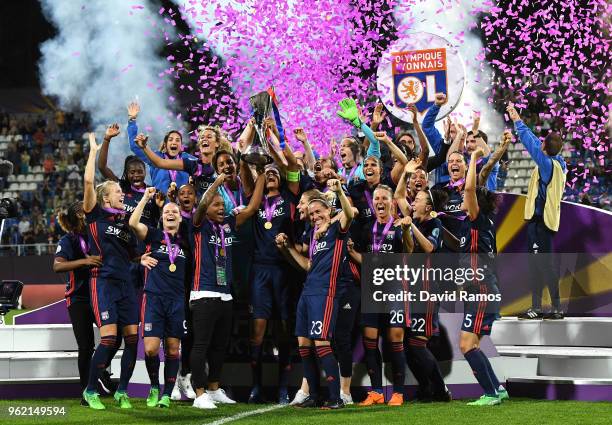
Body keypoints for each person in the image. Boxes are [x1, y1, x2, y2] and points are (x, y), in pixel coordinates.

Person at [275, 178, 354, 409]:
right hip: (307, 292)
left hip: (325, 293)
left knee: (322, 343)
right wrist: (287, 249)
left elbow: (349, 214)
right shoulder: (313, 235)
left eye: (318, 212)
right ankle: (313, 395)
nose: (315, 217)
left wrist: (339, 191)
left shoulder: (338, 230)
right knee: (303, 344)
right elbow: (308, 265)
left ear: (328, 211)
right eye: (312, 215)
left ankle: (335, 397)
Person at [189, 171, 265, 409]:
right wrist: (217, 182)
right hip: (204, 293)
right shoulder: (198, 224)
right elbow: (201, 204)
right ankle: (199, 393)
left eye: (223, 204)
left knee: (220, 346)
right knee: (201, 345)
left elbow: (252, 207)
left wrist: (261, 173)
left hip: (225, 293)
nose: (221, 208)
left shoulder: (229, 225)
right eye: (217, 204)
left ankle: (213, 388)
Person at [81, 133, 140, 410]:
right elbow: (89, 181)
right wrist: (94, 150)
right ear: (106, 197)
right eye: (118, 192)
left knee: (131, 339)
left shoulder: (126, 225)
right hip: (102, 282)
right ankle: (91, 390)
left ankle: (123, 391)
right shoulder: (95, 214)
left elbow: (135, 255)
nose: (122, 194)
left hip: (126, 284)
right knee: (108, 338)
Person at [348, 185, 413, 406]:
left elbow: (410, 250)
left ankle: (399, 393)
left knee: (396, 338)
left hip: (395, 289)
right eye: (376, 199)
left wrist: (405, 230)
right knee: (370, 341)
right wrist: (352, 252)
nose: (380, 202)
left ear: (392, 202)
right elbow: (366, 259)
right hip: (372, 289)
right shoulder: (366, 228)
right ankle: (376, 391)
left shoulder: (399, 226)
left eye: (384, 198)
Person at [248, 143, 300, 404]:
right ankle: (256, 386)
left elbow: (292, 167)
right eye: (266, 173)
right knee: (257, 330)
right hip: (259, 269)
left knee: (282, 330)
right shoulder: (256, 200)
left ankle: (282, 387)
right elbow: (246, 170)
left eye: (274, 173)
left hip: (282, 269)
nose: (270, 175)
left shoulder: (290, 197)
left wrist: (271, 140)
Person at [129, 188, 191, 408]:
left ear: (181, 217)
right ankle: (154, 386)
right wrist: (145, 199)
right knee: (151, 349)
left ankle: (166, 393)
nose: (171, 214)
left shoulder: (187, 241)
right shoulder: (154, 235)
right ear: (162, 218)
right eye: (166, 212)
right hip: (153, 298)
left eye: (174, 211)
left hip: (176, 301)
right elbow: (133, 223)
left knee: (173, 349)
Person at [507, 104, 566, 320]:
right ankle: (550, 307)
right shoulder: (558, 163)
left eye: (542, 143)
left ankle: (543, 307)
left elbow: (530, 144)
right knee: (543, 265)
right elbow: (536, 143)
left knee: (540, 265)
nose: (539, 144)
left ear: (544, 147)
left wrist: (517, 120)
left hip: (540, 222)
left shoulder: (547, 165)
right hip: (542, 221)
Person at [460, 147, 508, 406]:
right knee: (473, 343)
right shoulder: (478, 223)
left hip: (480, 289)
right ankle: (497, 389)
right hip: (479, 288)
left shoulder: (478, 220)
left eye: (468, 198)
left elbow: (469, 190)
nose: (464, 199)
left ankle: (490, 394)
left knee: (467, 345)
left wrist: (474, 159)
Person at [398, 187, 452, 402]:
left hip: (427, 290)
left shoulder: (434, 224)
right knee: (410, 346)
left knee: (417, 343)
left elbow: (430, 247)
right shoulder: (415, 224)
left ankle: (441, 390)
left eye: (418, 200)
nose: (413, 203)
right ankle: (427, 389)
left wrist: (411, 227)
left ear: (428, 207)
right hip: (412, 289)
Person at [54, 201, 108, 404]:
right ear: (73, 217)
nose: (83, 214)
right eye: (78, 212)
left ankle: (100, 373)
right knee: (86, 346)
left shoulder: (98, 235)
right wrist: (85, 261)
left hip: (102, 295)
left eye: (85, 210)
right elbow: (57, 266)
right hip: (79, 298)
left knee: (115, 336)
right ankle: (87, 391)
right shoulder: (69, 240)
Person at [126, 101, 195, 191]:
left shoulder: (186, 159)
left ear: (181, 146)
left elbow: (204, 164)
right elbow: (134, 146)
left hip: (182, 203)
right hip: (159, 203)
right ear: (165, 145)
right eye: (170, 140)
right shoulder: (156, 157)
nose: (174, 142)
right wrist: (132, 120)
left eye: (178, 140)